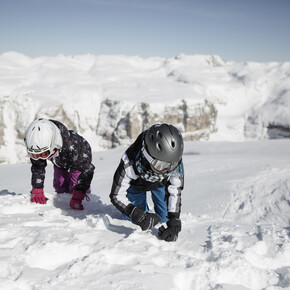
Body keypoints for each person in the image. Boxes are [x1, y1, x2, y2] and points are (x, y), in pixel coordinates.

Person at [110, 123, 184, 242]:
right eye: (161, 165)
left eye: (172, 165)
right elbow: (117, 195)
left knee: (165, 217)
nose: (166, 171)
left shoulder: (173, 162)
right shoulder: (129, 162)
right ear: (147, 156)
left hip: (160, 185)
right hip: (136, 185)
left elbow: (175, 190)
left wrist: (174, 220)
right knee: (134, 222)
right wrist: (136, 214)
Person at [24, 118, 95, 210]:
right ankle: (64, 200)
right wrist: (37, 188)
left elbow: (87, 171)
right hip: (60, 161)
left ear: (55, 144)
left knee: (75, 185)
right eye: (34, 155)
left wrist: (78, 195)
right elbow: (38, 166)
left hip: (78, 163)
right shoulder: (39, 146)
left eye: (44, 154)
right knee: (59, 184)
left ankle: (83, 203)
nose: (39, 158)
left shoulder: (74, 147)